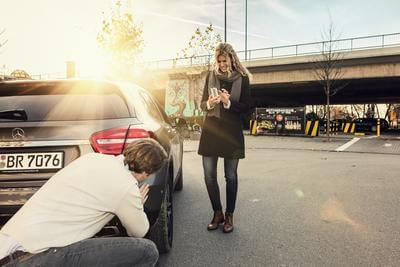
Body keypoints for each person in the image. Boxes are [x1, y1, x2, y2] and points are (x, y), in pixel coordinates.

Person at [0, 139, 167, 267]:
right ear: (146, 172)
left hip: (6, 250)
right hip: (34, 257)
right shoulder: (126, 187)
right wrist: (136, 201)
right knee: (147, 250)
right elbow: (139, 231)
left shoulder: (92, 158)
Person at [198, 42, 252, 233]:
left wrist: (229, 103)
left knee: (231, 176)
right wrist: (210, 103)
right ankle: (217, 212)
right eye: (219, 60)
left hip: (232, 132)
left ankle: (229, 215)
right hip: (211, 130)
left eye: (224, 60)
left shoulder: (243, 78)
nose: (221, 64)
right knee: (209, 176)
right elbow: (202, 104)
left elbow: (246, 107)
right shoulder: (210, 76)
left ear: (232, 58)